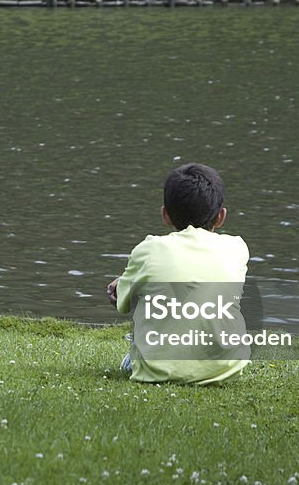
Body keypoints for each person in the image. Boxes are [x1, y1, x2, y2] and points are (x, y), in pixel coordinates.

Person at [106, 163, 250, 384]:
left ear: (165, 214)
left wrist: (121, 285)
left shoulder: (149, 249)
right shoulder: (238, 248)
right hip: (227, 369)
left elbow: (122, 304)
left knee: (143, 291)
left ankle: (139, 357)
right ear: (221, 217)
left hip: (158, 372)